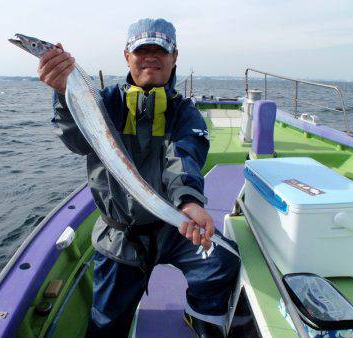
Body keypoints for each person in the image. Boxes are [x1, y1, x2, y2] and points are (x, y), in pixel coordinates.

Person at [37, 18, 240, 338]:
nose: (150, 57)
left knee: (223, 260)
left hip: (172, 227)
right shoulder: (103, 103)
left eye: (159, 50)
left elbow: (183, 156)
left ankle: (198, 313)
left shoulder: (183, 112)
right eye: (141, 50)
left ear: (174, 57)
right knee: (105, 326)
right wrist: (64, 95)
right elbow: (76, 142)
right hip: (120, 236)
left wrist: (188, 200)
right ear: (127, 56)